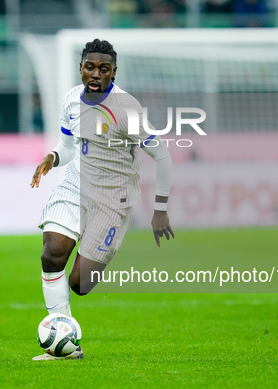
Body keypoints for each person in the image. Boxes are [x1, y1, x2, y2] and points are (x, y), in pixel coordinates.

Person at [30, 39, 174, 360]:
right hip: (75, 186)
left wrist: (160, 207)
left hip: (113, 199)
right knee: (52, 253)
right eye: (90, 67)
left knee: (80, 283)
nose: (96, 74)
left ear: (114, 72)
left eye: (103, 69)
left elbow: (162, 155)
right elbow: (67, 146)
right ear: (81, 68)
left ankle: (101, 251)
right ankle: (65, 347)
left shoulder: (127, 110)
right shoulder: (71, 99)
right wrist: (52, 158)